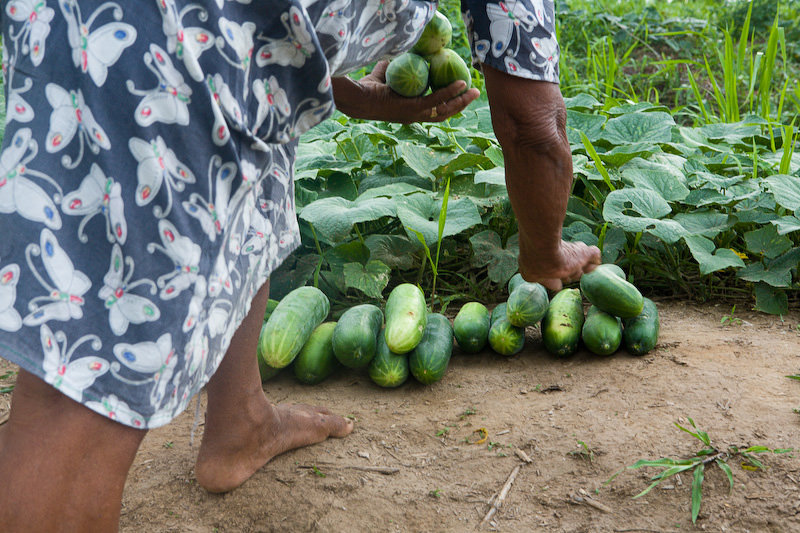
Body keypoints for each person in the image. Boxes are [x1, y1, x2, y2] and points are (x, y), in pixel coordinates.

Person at [0, 0, 597, 531]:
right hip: (142, 40)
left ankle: (241, 423)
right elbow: (531, 123)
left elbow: (256, 23)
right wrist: (545, 254)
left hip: (151, 32)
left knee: (246, 186)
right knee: (85, 375)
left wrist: (350, 93)